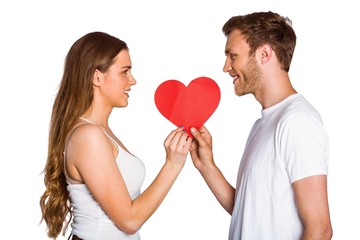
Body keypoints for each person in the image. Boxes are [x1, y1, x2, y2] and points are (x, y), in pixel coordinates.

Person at [189, 11, 332, 240]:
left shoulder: (297, 122)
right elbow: (246, 210)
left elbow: (320, 229)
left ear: (264, 53)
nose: (226, 67)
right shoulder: (263, 124)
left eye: (232, 56)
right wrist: (206, 166)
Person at [39, 31, 192, 240]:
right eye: (124, 72)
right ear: (97, 77)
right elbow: (129, 221)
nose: (133, 80)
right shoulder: (88, 135)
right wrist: (173, 165)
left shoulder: (99, 132)